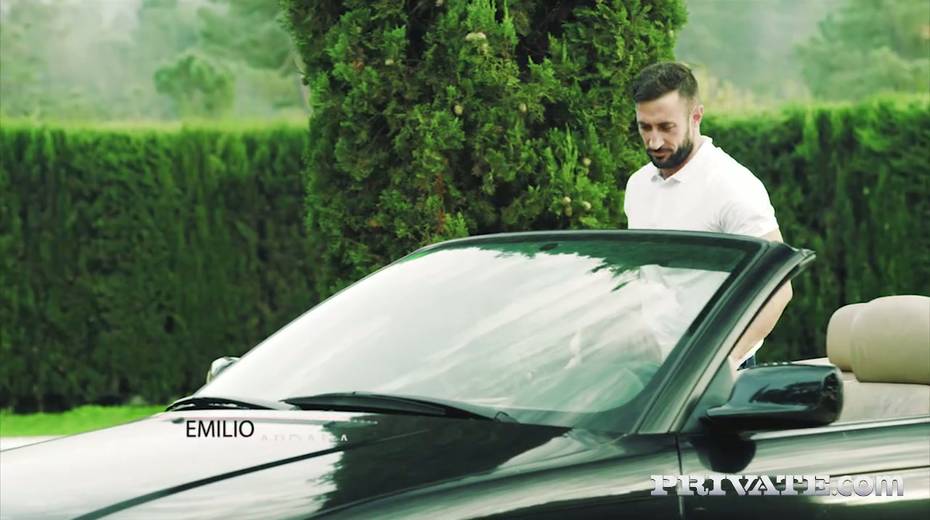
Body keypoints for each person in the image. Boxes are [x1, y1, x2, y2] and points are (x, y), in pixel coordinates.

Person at [623, 61, 792, 366]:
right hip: (652, 366)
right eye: (645, 127)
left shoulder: (733, 186)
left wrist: (722, 363)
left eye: (666, 127)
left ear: (696, 116)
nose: (654, 141)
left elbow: (778, 288)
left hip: (713, 368)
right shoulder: (638, 185)